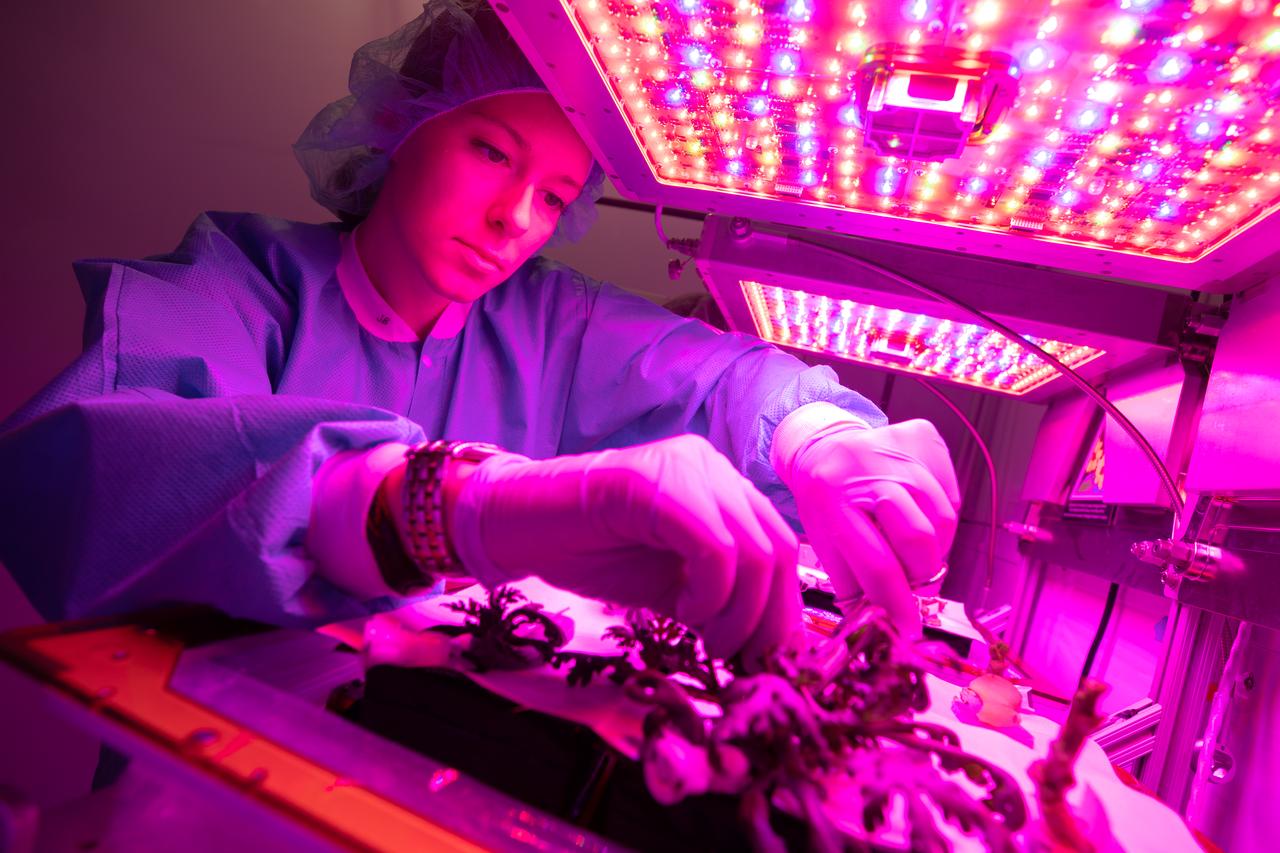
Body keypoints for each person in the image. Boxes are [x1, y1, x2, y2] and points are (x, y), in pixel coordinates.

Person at [0, 1, 959, 665]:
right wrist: (458, 506)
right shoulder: (241, 286)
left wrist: (822, 438)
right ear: (394, 126)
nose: (517, 221)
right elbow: (85, 484)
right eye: (492, 151)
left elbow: (724, 380)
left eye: (554, 194)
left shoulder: (554, 323)